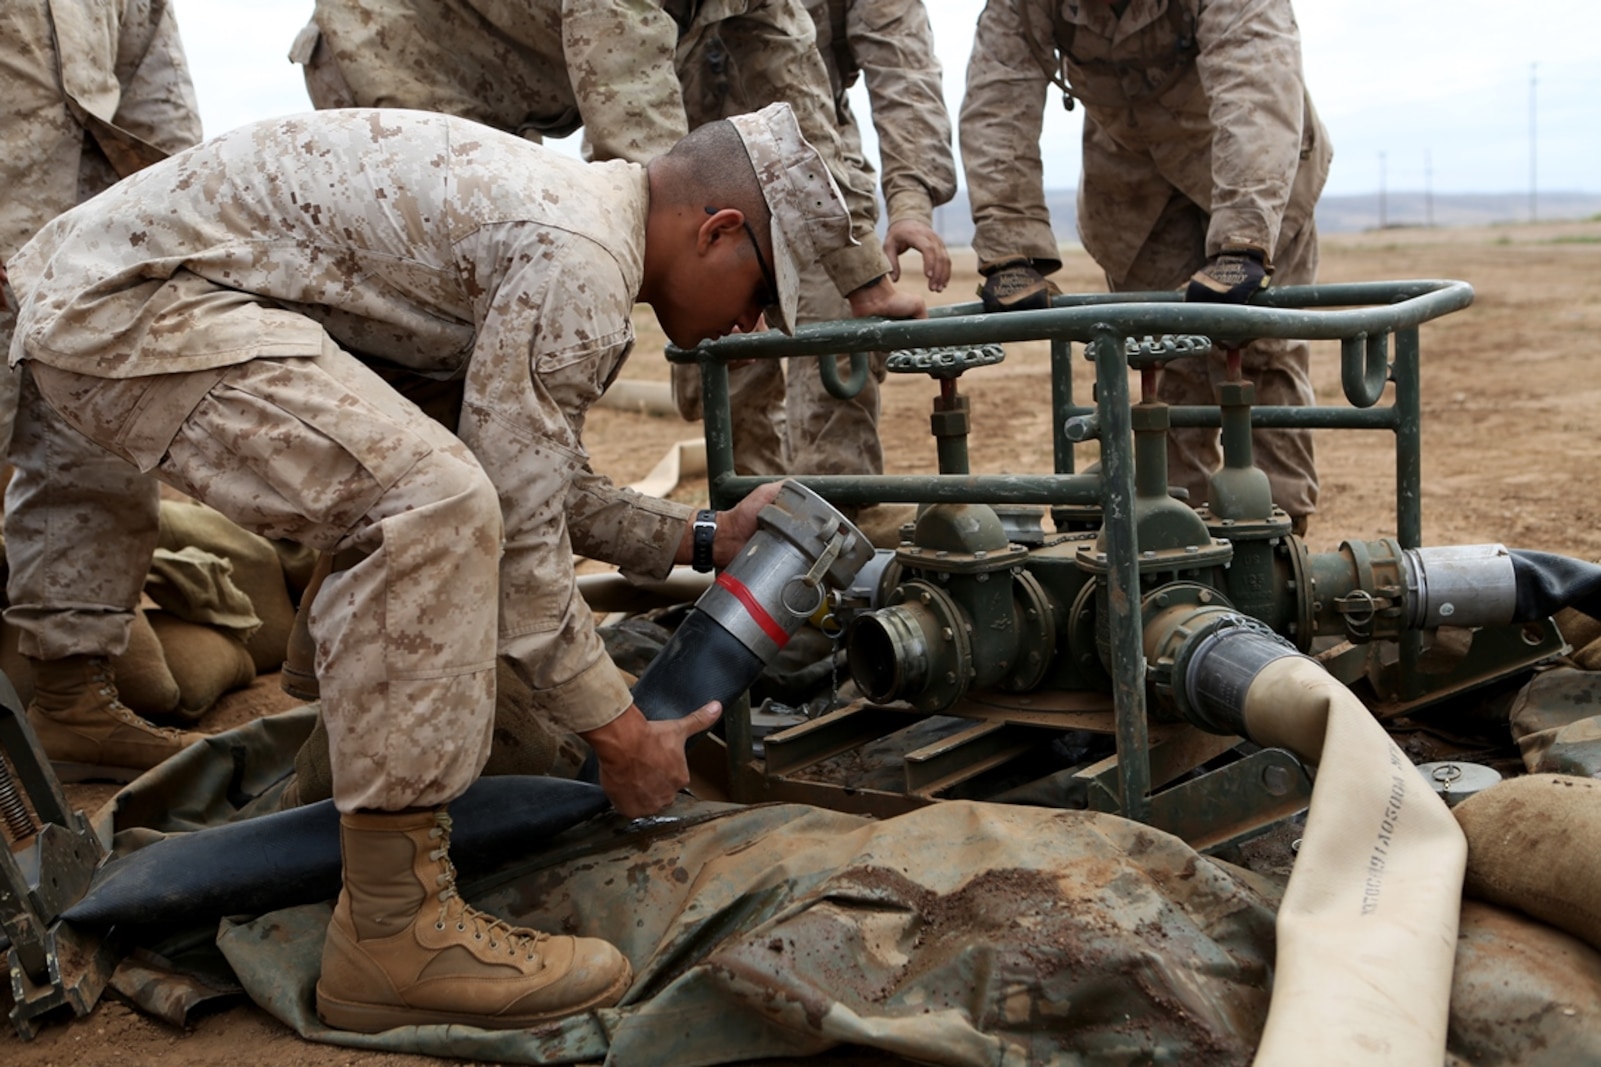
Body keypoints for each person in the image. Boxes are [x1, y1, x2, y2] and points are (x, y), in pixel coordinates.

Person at [4, 101, 852, 1032]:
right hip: (130, 303)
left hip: (111, 284)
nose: (752, 320)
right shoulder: (579, 256)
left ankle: (349, 770)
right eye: (762, 288)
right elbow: (516, 530)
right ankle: (395, 935)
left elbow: (529, 473)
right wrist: (620, 736)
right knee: (430, 501)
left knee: (440, 482)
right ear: (718, 229)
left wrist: (699, 538)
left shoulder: (572, 221)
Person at [959, 0, 1332, 532]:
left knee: (1262, 354)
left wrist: (1243, 239)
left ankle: (1279, 541)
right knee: (1163, 365)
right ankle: (1176, 533)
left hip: (1263, 176)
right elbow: (998, 99)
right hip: (1134, 190)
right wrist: (1008, 248)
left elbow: (1256, 81)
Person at [1, 0, 206, 773]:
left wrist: (173, 223)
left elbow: (156, 95)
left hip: (82, 250)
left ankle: (70, 701)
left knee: (96, 462)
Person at [673, 0, 956, 515]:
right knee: (729, 388)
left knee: (839, 360)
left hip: (820, 176)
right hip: (692, 179)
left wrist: (910, 206)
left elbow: (904, 75)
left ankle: (838, 540)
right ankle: (746, 551)